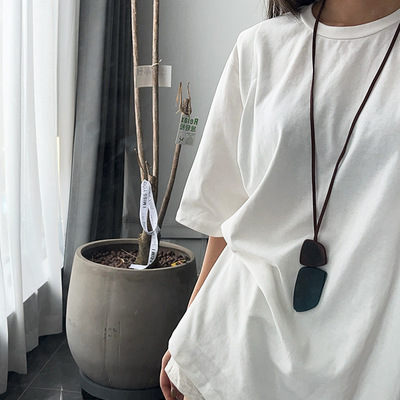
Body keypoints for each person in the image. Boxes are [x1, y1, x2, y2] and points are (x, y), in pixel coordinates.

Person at [160, 0, 400, 398]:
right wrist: (191, 323)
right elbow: (227, 208)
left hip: (375, 349)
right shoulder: (261, 47)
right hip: (242, 342)